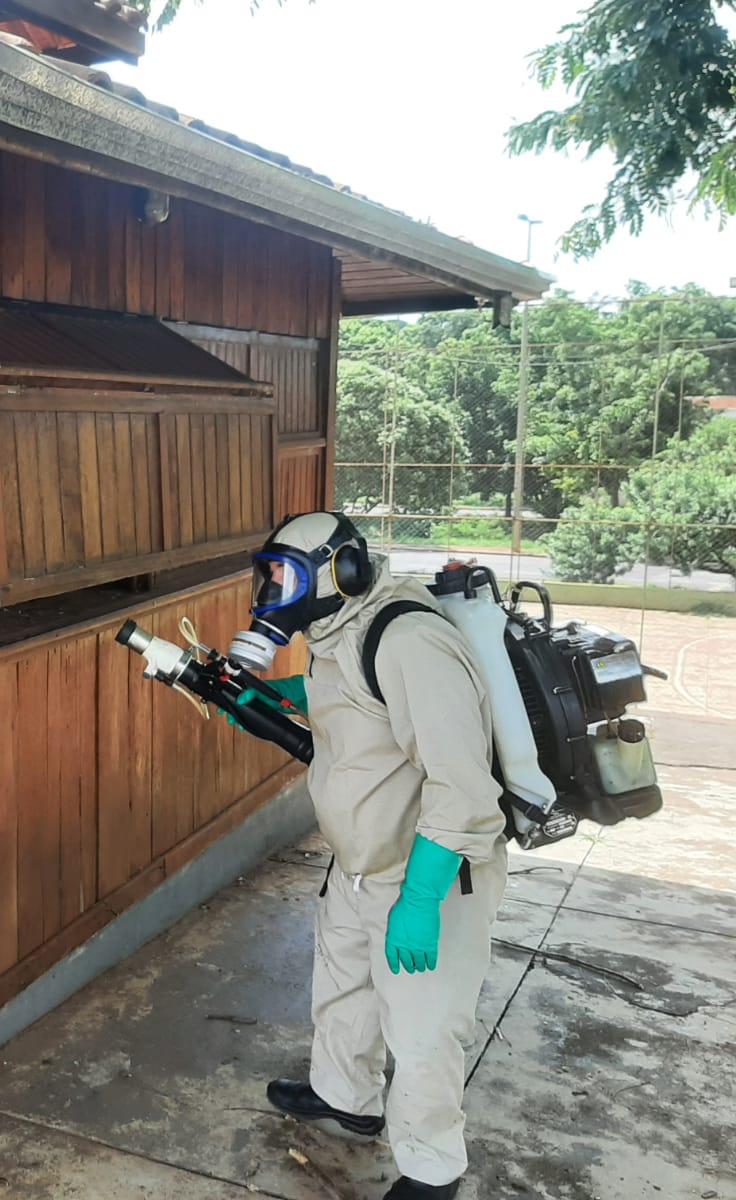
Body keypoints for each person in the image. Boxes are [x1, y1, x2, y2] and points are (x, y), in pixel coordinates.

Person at [228, 511, 508, 1200]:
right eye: (268, 576)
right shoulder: (338, 628)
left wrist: (419, 899)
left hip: (428, 875)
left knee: (423, 1031)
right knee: (344, 990)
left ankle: (431, 1169)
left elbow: (465, 787)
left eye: (286, 577)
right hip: (357, 865)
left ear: (341, 571)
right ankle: (346, 1097)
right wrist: (290, 698)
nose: (273, 593)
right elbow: (360, 718)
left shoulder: (408, 638)